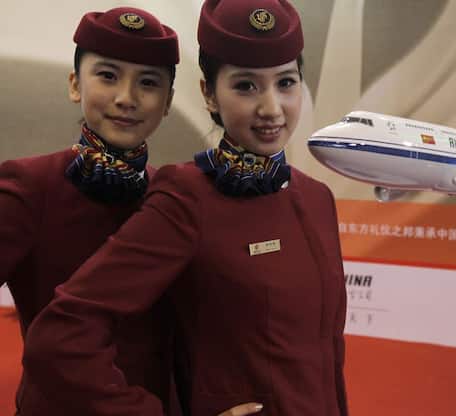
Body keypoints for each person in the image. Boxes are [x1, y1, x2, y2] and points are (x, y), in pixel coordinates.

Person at [23, 1, 348, 415]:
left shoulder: (317, 197)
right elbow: (62, 333)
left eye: (286, 82)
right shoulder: (187, 195)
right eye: (245, 86)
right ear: (209, 94)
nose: (271, 108)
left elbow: (326, 360)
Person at [0, 6, 180, 415]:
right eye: (108, 75)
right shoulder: (31, 185)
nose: (126, 98)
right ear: (75, 85)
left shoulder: (172, 196)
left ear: (168, 101)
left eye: (148, 83)